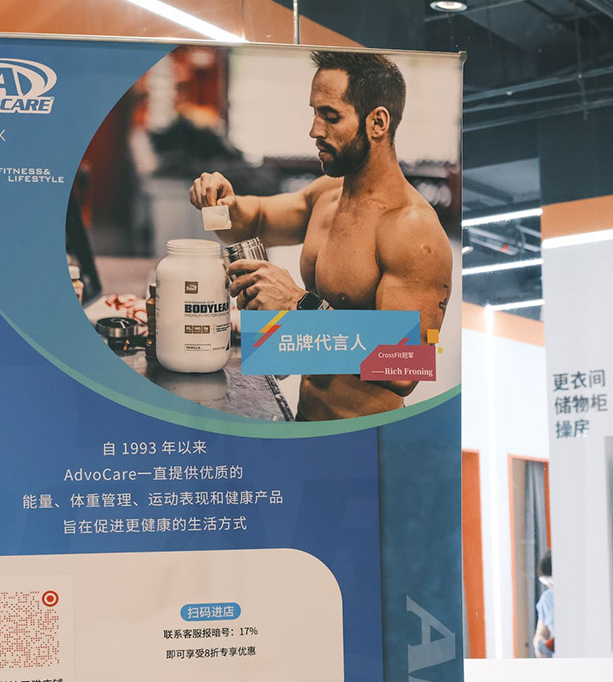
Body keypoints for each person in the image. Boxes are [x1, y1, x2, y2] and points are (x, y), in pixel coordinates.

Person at [188, 51, 453, 421]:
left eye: (331, 116)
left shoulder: (412, 228)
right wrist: (218, 202)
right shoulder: (327, 195)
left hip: (364, 439)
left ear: (377, 122)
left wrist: (298, 303)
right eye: (315, 113)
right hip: (306, 422)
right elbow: (253, 220)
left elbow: (406, 367)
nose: (314, 130)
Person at [533, 551, 555, 658]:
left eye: (551, 580)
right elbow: (541, 633)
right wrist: (540, 645)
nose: (549, 585)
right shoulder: (547, 599)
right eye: (545, 581)